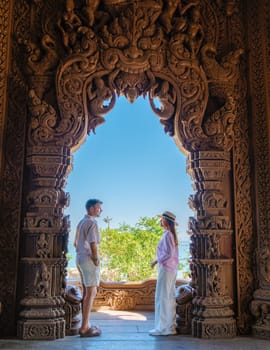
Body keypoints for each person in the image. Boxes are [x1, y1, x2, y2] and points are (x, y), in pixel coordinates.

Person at [74, 198, 103, 337]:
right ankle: (84, 328)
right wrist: (96, 258)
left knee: (86, 292)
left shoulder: (81, 222)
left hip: (79, 258)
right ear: (91, 209)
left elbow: (75, 243)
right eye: (98, 208)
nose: (101, 210)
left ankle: (86, 324)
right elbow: (93, 243)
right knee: (91, 293)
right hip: (88, 259)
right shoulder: (92, 222)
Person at [149, 211, 179, 336]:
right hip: (172, 269)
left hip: (166, 269)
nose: (160, 221)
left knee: (162, 296)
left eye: (161, 219)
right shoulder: (172, 234)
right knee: (169, 296)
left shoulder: (167, 234)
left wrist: (156, 261)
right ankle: (169, 327)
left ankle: (162, 328)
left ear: (165, 221)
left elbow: (168, 254)